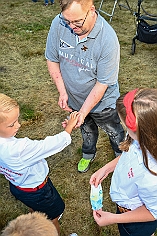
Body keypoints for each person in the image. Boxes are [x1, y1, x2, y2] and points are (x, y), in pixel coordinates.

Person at [45, 0, 125, 173]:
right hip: (74, 99)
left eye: (77, 22)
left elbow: (102, 83)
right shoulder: (58, 23)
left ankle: (122, 157)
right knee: (86, 129)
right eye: (67, 21)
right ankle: (88, 153)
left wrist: (83, 111)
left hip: (103, 103)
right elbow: (52, 58)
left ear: (92, 10)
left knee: (114, 131)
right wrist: (62, 92)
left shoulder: (108, 40)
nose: (72, 26)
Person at [0, 93, 79, 236]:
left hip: (18, 186)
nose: (18, 125)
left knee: (35, 209)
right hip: (38, 191)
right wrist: (68, 130)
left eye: (17, 120)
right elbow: (46, 146)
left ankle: (35, 212)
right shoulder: (17, 149)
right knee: (50, 220)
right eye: (12, 124)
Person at [90, 88, 157, 236]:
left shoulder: (153, 176)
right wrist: (106, 169)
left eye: (126, 126)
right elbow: (129, 154)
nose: (126, 129)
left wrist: (114, 218)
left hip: (135, 220)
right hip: (126, 206)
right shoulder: (141, 136)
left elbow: (153, 212)